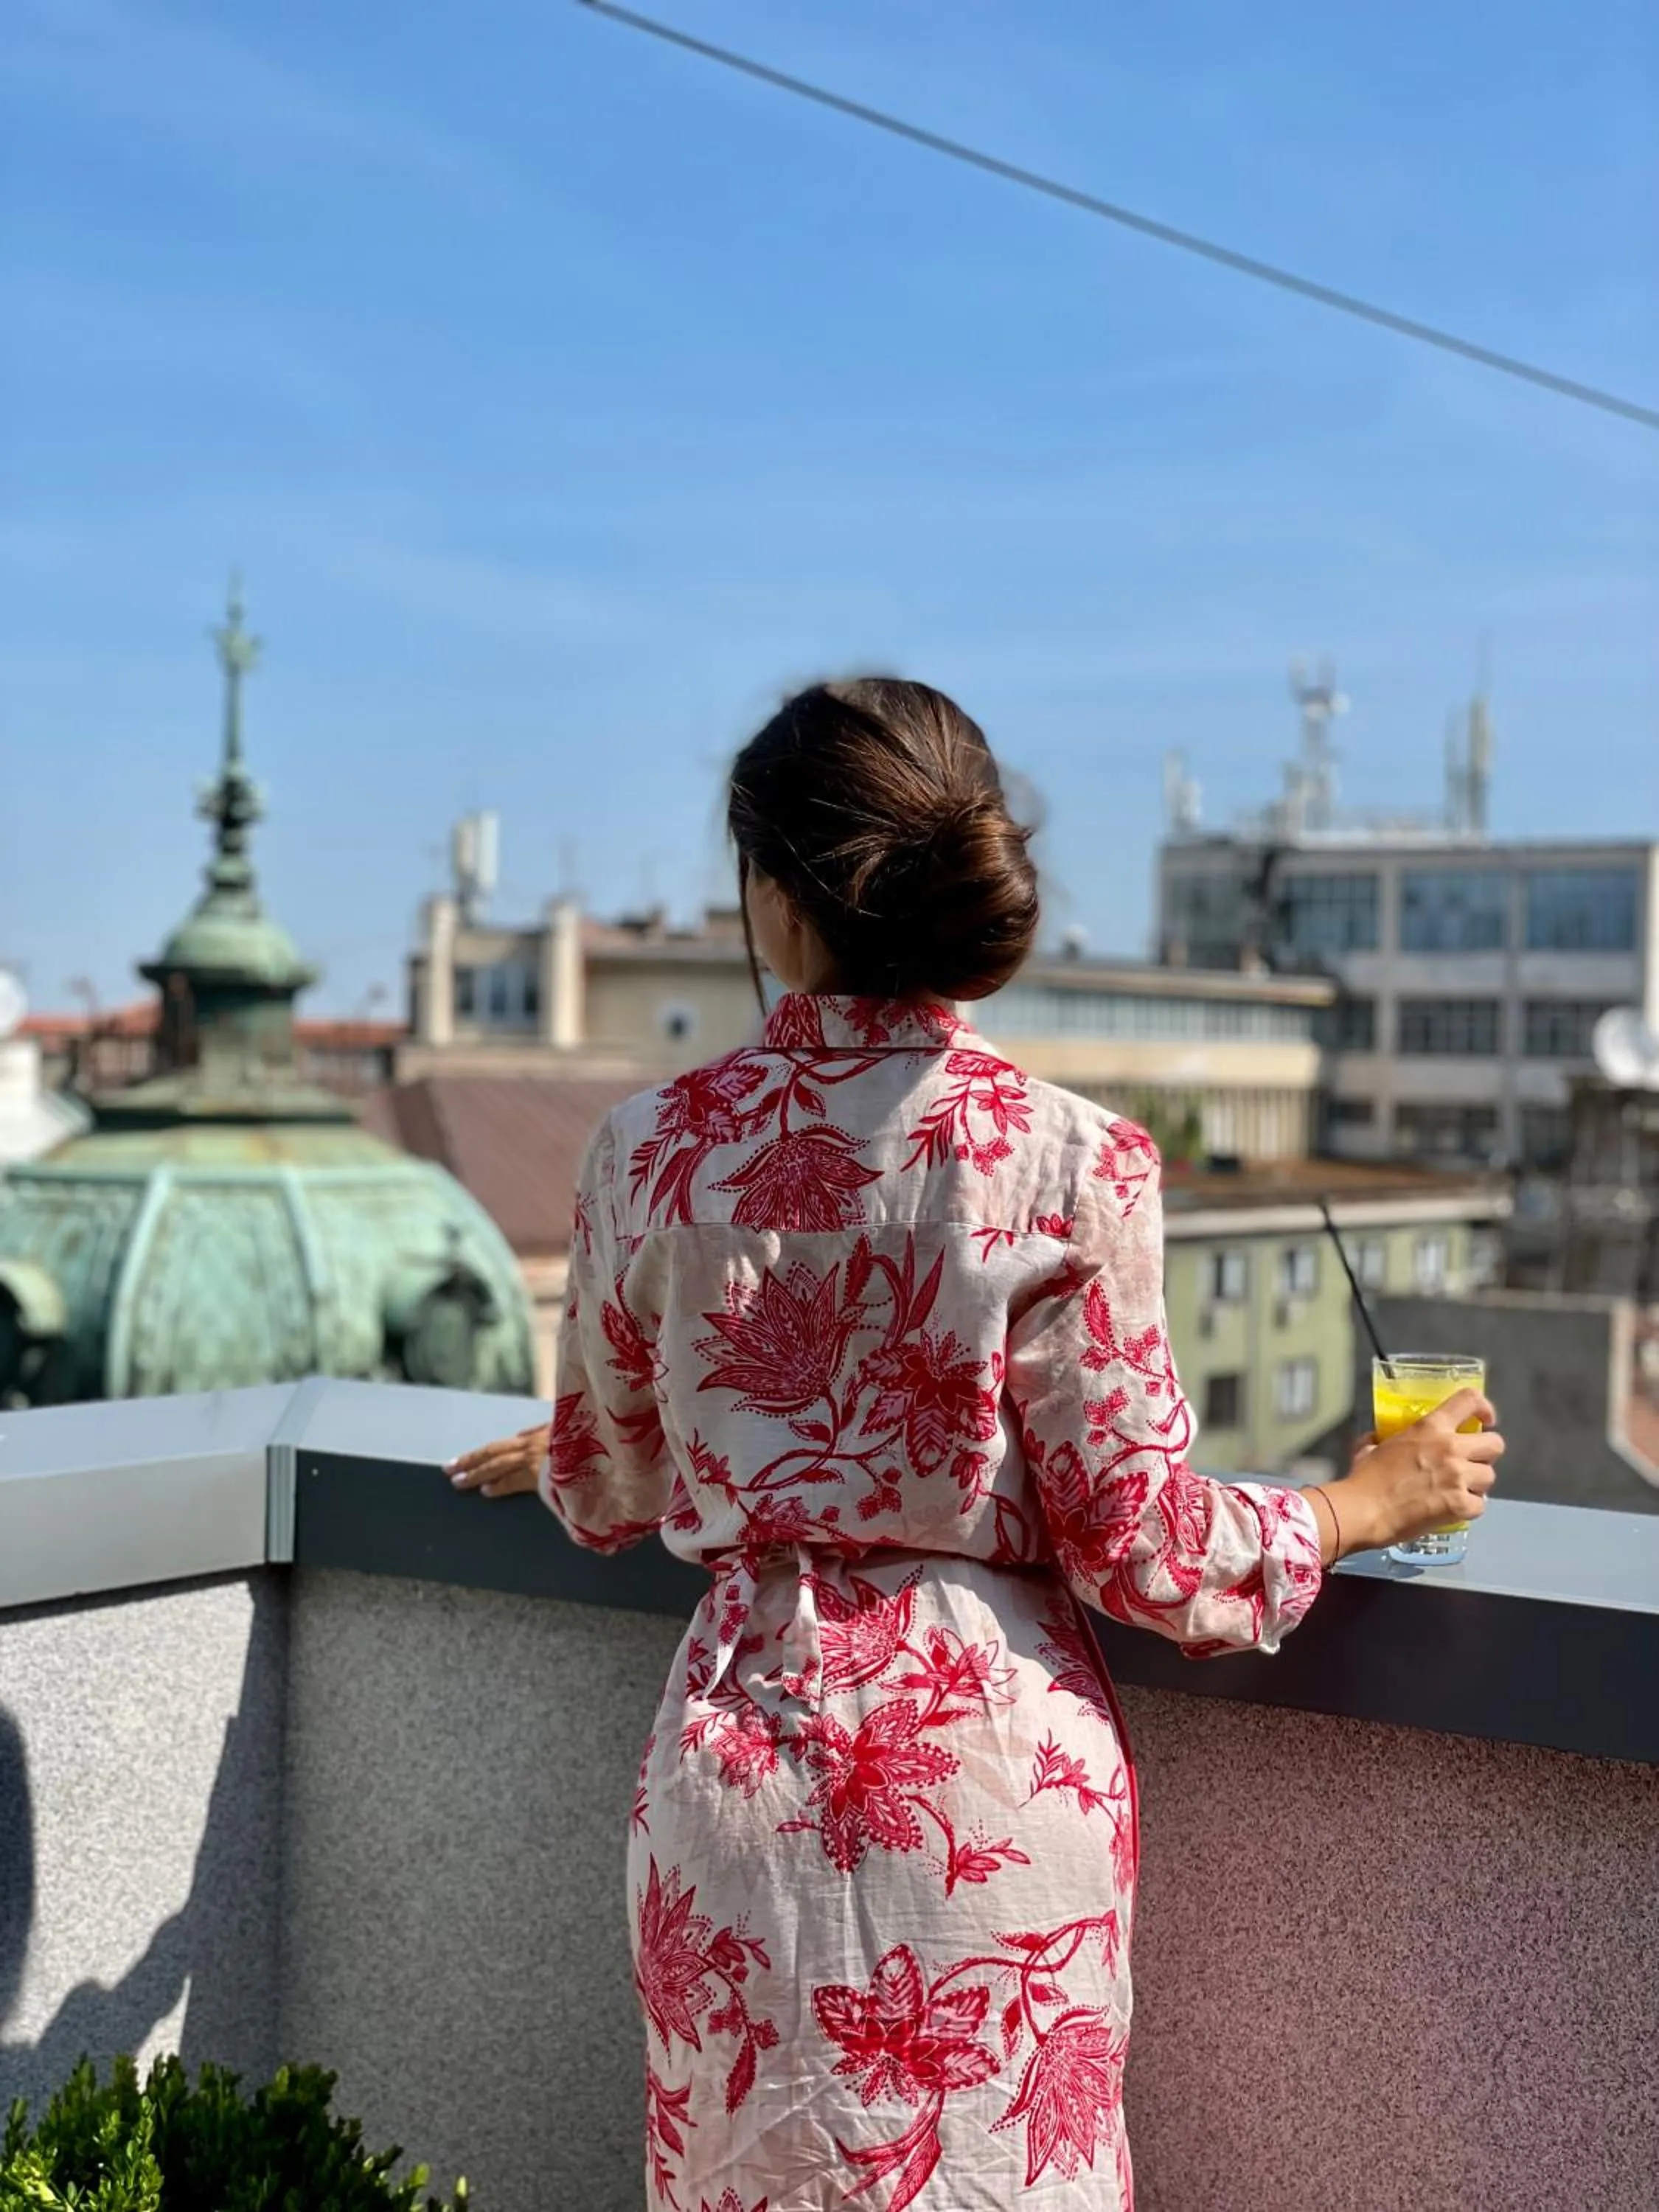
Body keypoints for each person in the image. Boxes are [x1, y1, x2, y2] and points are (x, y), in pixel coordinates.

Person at [448, 678, 1503, 2211]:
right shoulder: (1074, 1160)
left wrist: (600, 1438)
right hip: (985, 1810)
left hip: (738, 1795)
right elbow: (1137, 1543)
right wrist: (1355, 1505)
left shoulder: (647, 1152)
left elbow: (609, 1489)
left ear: (778, 895)